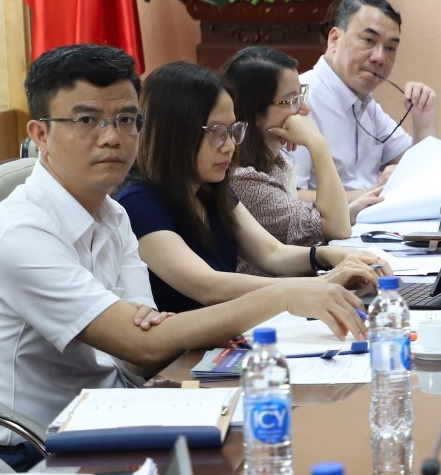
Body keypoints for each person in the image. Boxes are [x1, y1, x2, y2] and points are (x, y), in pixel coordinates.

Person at [0, 46, 366, 470]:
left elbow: (143, 341)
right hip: (23, 450)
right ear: (40, 135)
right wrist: (286, 295)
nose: (112, 137)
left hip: (103, 415)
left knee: (278, 438)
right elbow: (145, 344)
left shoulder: (112, 215)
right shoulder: (22, 233)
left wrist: (151, 333)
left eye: (126, 120)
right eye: (86, 120)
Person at [116, 62, 387, 314]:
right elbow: (209, 287)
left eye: (233, 131)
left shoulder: (210, 188)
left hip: (225, 334)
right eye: (217, 133)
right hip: (183, 345)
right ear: (175, 134)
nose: (230, 146)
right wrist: (323, 282)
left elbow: (272, 254)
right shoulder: (138, 203)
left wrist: (330, 255)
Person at [224, 47, 384, 265]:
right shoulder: (245, 181)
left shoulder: (274, 163)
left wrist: (346, 213)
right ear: (254, 113)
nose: (305, 109)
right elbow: (336, 229)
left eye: (301, 95)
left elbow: (326, 223)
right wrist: (317, 143)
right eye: (291, 101)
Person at [293, 0, 437, 196]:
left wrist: (423, 117)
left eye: (390, 48)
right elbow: (292, 197)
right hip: (337, 218)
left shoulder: (367, 104)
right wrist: (374, 193)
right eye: (369, 40)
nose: (380, 57)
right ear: (334, 39)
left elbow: (425, 170)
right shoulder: (299, 100)